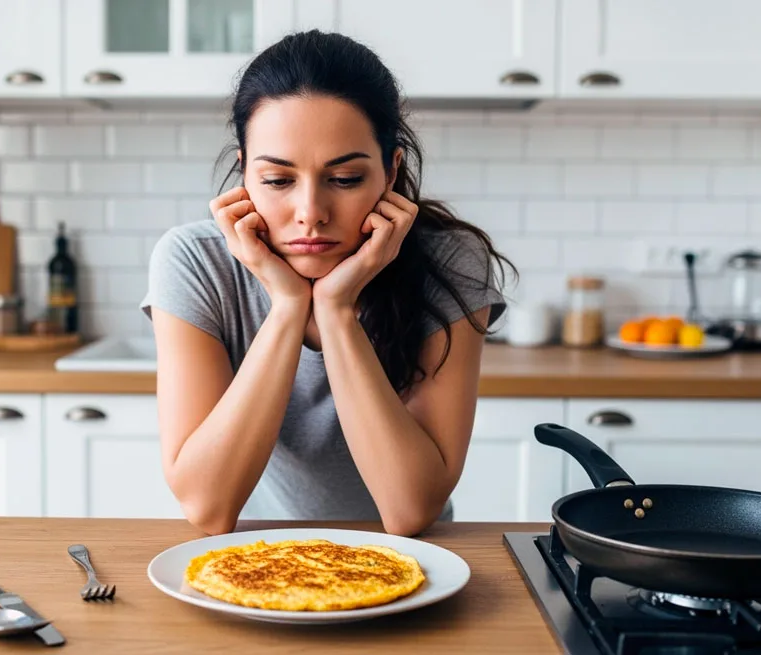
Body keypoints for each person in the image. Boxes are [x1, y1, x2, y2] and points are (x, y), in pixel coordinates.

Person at [139, 30, 514, 537]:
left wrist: (336, 310)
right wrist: (288, 306)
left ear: (391, 171)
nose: (311, 213)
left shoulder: (450, 260)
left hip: (409, 560)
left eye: (345, 179)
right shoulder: (194, 261)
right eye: (278, 180)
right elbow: (208, 508)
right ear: (245, 173)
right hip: (255, 555)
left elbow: (409, 511)